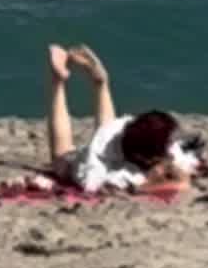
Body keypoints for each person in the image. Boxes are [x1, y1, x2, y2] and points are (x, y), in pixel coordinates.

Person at [43, 42, 200, 195]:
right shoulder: (124, 174)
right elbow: (182, 183)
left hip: (117, 136)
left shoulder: (138, 137)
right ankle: (59, 81)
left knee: (106, 133)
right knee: (62, 161)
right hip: (103, 158)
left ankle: (99, 83)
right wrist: (143, 188)